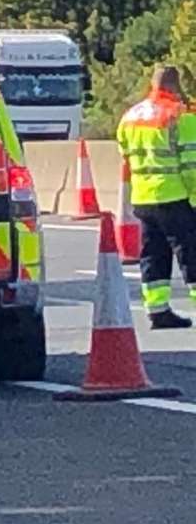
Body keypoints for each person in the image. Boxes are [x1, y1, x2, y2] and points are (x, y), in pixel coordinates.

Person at [115, 64, 196, 329]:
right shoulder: (179, 116)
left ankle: (158, 311)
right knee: (190, 252)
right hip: (174, 196)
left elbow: (124, 153)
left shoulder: (130, 116)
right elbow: (191, 166)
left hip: (143, 199)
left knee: (153, 254)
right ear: (175, 86)